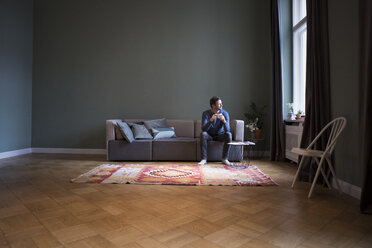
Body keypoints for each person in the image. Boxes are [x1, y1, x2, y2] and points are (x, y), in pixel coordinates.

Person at [198, 96, 232, 166]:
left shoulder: (225, 113)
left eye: (221, 103)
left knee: (229, 135)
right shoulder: (206, 114)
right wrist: (211, 120)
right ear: (213, 106)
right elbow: (203, 129)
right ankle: (204, 159)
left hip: (220, 135)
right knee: (203, 134)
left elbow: (227, 130)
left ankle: (225, 159)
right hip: (209, 135)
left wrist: (224, 121)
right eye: (219, 104)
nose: (221, 105)